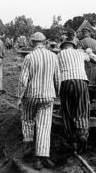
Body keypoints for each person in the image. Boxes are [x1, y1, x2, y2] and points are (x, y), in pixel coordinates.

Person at [17, 32, 60, 170]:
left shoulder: (29, 57)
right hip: (48, 96)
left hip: (31, 95)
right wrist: (57, 93)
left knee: (27, 119)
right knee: (44, 126)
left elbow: (23, 80)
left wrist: (19, 97)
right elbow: (58, 79)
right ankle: (40, 160)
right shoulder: (53, 56)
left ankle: (28, 144)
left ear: (32, 43)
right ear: (45, 42)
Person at [58, 40, 90, 154]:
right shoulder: (80, 52)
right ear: (73, 46)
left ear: (63, 48)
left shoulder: (59, 54)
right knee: (82, 108)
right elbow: (89, 58)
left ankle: (72, 140)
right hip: (81, 81)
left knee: (67, 111)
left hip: (65, 81)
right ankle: (82, 133)